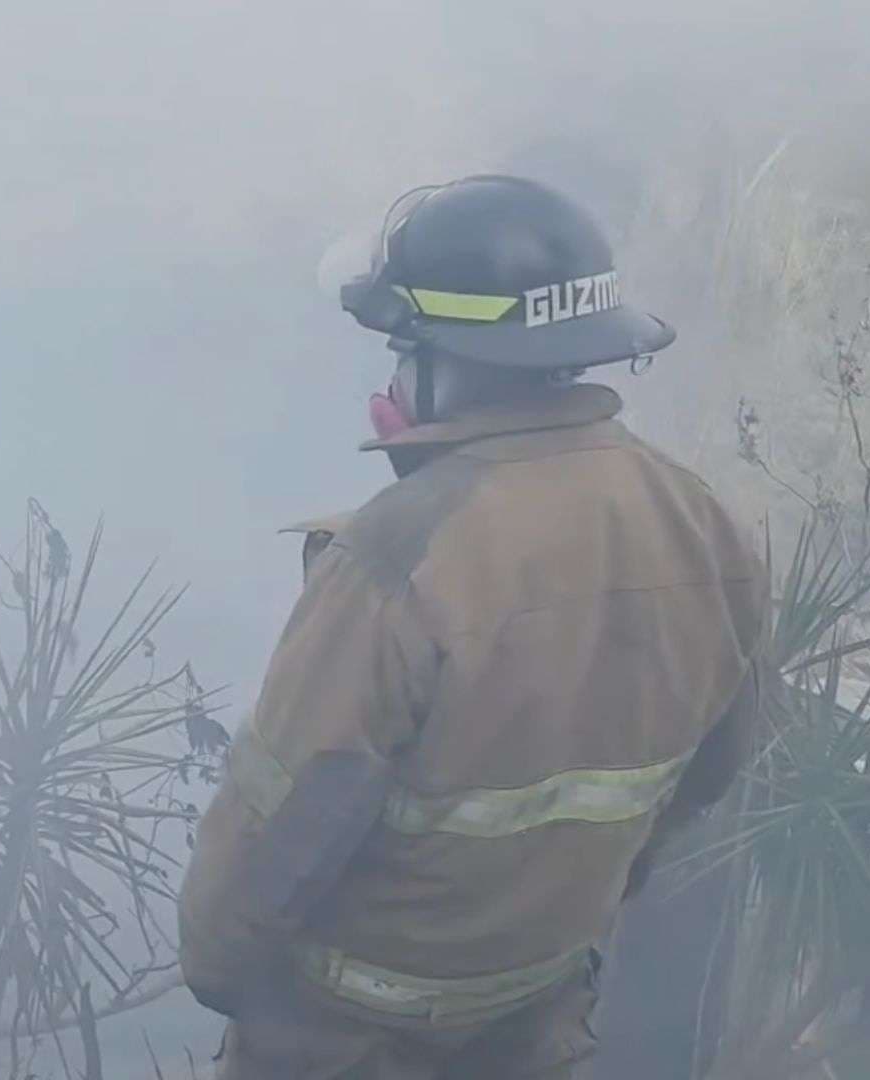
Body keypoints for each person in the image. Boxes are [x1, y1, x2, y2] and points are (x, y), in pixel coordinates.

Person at [178, 175, 768, 1079]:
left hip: (347, 1042)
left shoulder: (394, 555)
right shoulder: (703, 523)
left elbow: (280, 828)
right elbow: (708, 772)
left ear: (445, 363)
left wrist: (219, 974)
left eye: (402, 349)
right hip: (533, 1020)